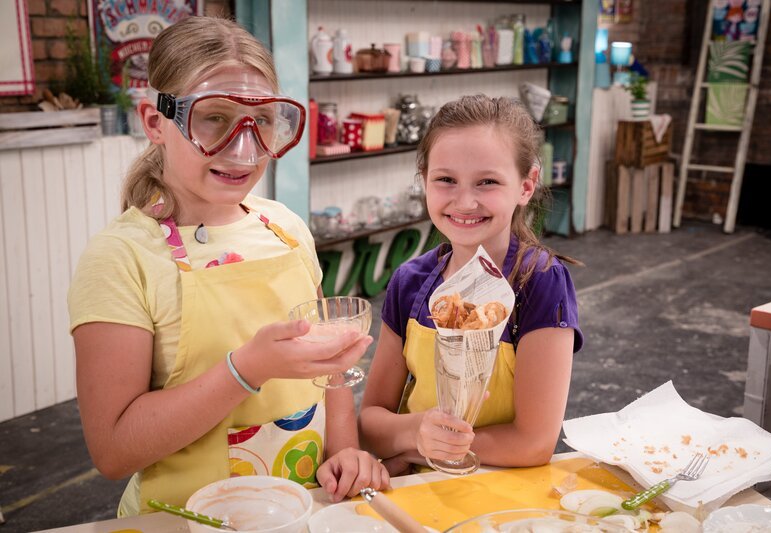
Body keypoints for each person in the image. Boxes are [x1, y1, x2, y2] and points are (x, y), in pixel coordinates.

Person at [68, 16, 388, 516]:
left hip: (301, 511)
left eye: (260, 121)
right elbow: (113, 450)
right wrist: (246, 371)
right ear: (155, 121)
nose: (244, 150)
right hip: (181, 521)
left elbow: (330, 373)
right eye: (214, 117)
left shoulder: (285, 227)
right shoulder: (121, 258)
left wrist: (344, 449)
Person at [359, 95, 582, 474]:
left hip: (499, 493)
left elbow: (533, 443)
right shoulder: (409, 283)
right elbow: (370, 424)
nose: (464, 202)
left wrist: (417, 449)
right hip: (419, 491)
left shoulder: (540, 281)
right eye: (446, 180)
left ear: (526, 186)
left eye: (487, 182)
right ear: (424, 181)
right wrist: (417, 431)